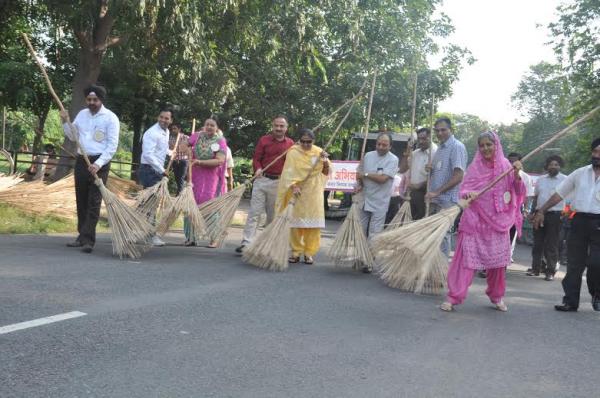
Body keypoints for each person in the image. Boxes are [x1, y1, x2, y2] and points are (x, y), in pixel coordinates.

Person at [440, 132, 525, 312]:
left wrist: (517, 175)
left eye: (489, 144)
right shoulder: (475, 167)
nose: (486, 148)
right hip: (475, 221)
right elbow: (464, 190)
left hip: (498, 223)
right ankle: (453, 296)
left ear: (497, 145)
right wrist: (469, 195)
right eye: (482, 145)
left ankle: (496, 296)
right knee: (465, 260)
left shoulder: (507, 167)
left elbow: (517, 190)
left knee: (498, 265)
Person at [533, 138, 600, 312]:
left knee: (596, 263)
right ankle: (570, 301)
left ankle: (597, 293)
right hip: (579, 221)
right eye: (594, 152)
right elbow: (559, 194)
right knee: (574, 264)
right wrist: (542, 210)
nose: (597, 155)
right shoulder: (580, 173)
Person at [60, 84, 119, 253]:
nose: (92, 102)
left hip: (99, 163)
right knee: (82, 199)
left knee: (94, 201)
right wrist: (65, 121)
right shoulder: (82, 115)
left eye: (95, 100)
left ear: (101, 100)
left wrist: (98, 164)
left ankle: (89, 241)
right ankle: (81, 236)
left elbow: (112, 145)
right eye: (89, 99)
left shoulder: (110, 118)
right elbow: (73, 136)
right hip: (82, 160)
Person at [235, 116, 294, 253]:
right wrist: (258, 168)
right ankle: (246, 243)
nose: (279, 128)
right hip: (262, 180)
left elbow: (293, 164)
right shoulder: (264, 140)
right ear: (272, 126)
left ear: (286, 128)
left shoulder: (291, 144)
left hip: (279, 183)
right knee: (254, 213)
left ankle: (267, 243)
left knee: (272, 215)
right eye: (276, 126)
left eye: (281, 126)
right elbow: (256, 158)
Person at [277, 128, 330, 265]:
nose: (306, 145)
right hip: (297, 191)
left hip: (314, 192)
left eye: (309, 142)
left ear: (314, 141)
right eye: (303, 141)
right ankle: (295, 252)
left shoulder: (319, 152)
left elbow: (326, 172)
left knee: (313, 225)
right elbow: (288, 172)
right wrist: (294, 186)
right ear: (299, 141)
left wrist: (324, 160)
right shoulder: (293, 152)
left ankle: (308, 253)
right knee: (295, 224)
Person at [356, 132, 399, 272]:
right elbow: (359, 174)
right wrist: (359, 183)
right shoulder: (368, 156)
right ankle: (361, 256)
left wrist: (366, 175)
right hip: (364, 198)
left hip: (380, 201)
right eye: (378, 144)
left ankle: (368, 261)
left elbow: (383, 179)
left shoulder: (393, 160)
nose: (380, 147)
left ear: (390, 146)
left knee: (374, 233)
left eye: (384, 145)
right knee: (360, 229)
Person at [425, 118, 468, 255]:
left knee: (443, 235)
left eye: (443, 130)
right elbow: (440, 172)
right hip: (436, 199)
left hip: (448, 200)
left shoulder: (457, 147)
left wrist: (436, 192)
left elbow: (458, 176)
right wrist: (430, 170)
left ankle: (442, 272)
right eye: (437, 130)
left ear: (451, 130)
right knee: (433, 235)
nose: (440, 133)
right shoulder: (439, 149)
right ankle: (433, 268)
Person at [184, 116, 227, 247]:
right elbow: (183, 145)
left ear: (217, 128)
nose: (209, 127)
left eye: (212, 125)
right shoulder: (196, 136)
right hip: (194, 176)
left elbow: (219, 160)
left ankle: (214, 238)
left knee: (209, 207)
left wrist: (200, 161)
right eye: (207, 124)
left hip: (211, 179)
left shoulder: (220, 141)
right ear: (203, 126)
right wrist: (188, 151)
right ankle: (191, 237)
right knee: (190, 204)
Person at [526, 155, 566, 281]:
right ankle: (535, 269)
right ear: (547, 166)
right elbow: (536, 197)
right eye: (551, 164)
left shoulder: (566, 179)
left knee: (552, 244)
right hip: (538, 214)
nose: (553, 166)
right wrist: (533, 212)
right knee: (537, 243)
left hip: (555, 215)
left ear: (560, 166)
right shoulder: (541, 180)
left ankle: (550, 271)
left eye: (556, 165)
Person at [139, 108, 173, 247]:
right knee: (150, 204)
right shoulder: (152, 133)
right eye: (161, 117)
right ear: (158, 117)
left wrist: (171, 153)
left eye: (166, 118)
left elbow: (161, 149)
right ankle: (150, 235)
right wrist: (162, 170)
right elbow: (148, 154)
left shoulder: (166, 132)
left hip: (157, 171)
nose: (163, 120)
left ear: (171, 120)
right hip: (149, 170)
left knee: (149, 204)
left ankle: (138, 230)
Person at [399, 127, 438, 220]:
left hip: (426, 195)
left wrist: (419, 186)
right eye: (419, 139)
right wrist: (408, 150)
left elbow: (436, 177)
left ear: (430, 137)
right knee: (406, 222)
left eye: (424, 138)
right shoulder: (415, 153)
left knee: (419, 223)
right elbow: (402, 169)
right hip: (411, 194)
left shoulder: (436, 153)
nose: (420, 141)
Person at [167, 122, 189, 195]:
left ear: (179, 129)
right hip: (174, 161)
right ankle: (180, 192)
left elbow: (188, 149)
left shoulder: (186, 137)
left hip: (183, 160)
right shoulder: (171, 138)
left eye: (175, 129)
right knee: (177, 178)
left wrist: (179, 147)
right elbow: (170, 149)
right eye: (172, 129)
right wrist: (173, 148)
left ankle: (179, 194)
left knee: (181, 177)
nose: (173, 130)